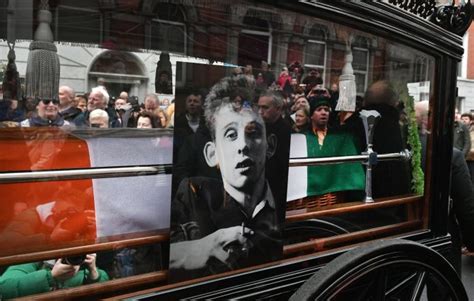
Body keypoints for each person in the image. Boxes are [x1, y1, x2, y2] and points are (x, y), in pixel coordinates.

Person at [169, 75, 283, 281]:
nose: (243, 145)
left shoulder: (284, 202)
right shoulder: (193, 195)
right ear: (212, 154)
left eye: (253, 132)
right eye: (231, 134)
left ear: (270, 145)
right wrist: (196, 250)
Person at [0, 254, 109, 298]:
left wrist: (93, 273)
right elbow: (4, 287)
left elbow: (105, 293)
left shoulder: (88, 272)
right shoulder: (33, 257)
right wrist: (50, 277)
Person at [257, 89, 291, 222]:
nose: (260, 111)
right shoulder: (258, 129)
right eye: (258, 107)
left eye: (265, 107)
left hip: (277, 193)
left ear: (278, 108)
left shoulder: (287, 131)